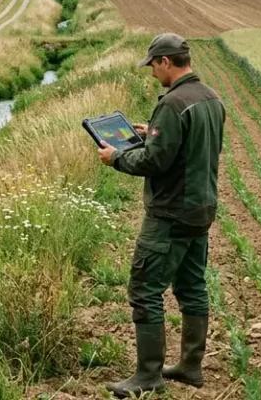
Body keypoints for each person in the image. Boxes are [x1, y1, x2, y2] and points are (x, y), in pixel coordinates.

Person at [96, 33, 225, 397]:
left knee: (145, 289)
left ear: (166, 62)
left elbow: (155, 161)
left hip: (170, 213)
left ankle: (147, 376)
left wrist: (116, 157)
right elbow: (190, 147)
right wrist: (148, 132)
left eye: (153, 65)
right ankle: (190, 366)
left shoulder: (172, 104)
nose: (152, 72)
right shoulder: (211, 98)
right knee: (191, 287)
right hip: (201, 209)